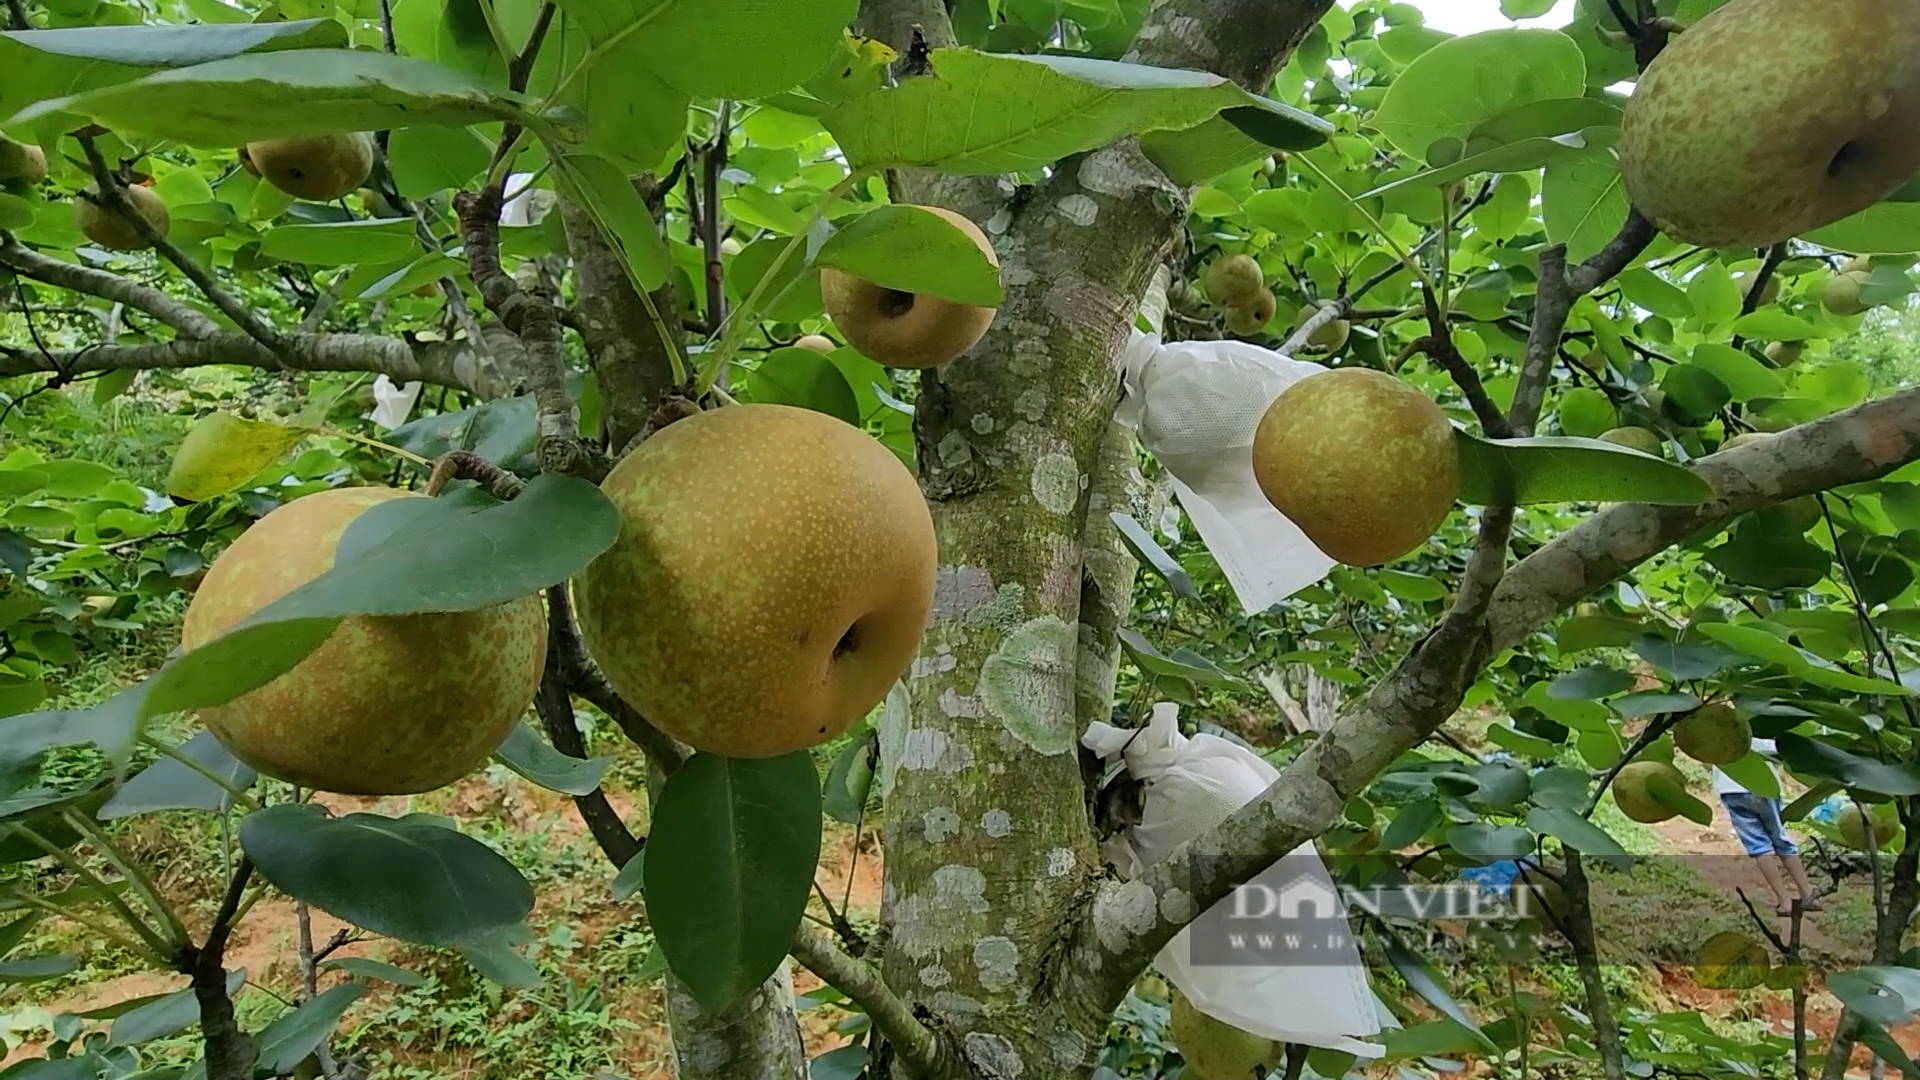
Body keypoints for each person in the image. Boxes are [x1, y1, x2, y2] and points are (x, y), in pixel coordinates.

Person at [1713, 737, 1822, 917]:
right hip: (1764, 786)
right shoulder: (1760, 720)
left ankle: (1784, 902)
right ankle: (1807, 894)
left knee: (1759, 847)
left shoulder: (1717, 724)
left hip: (1730, 788)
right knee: (1780, 839)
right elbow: (1778, 750)